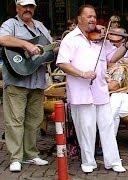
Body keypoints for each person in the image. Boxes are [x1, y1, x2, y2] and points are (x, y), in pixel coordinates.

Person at [56, 4, 128, 173]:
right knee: (85, 128)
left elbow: (113, 56)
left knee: (107, 125)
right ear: (79, 19)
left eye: (94, 16)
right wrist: (81, 73)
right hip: (80, 92)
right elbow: (62, 63)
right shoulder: (70, 39)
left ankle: (113, 161)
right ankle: (88, 162)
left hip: (100, 90)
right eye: (89, 16)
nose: (93, 19)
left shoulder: (101, 39)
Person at [0, 0, 55, 172]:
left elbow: (49, 48)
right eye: (24, 6)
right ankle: (16, 157)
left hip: (37, 81)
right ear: (17, 8)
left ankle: (31, 154)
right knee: (15, 120)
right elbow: (2, 39)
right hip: (17, 80)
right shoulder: (11, 24)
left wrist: (54, 48)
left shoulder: (40, 26)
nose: (28, 9)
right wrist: (26, 44)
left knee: (34, 120)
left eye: (31, 6)